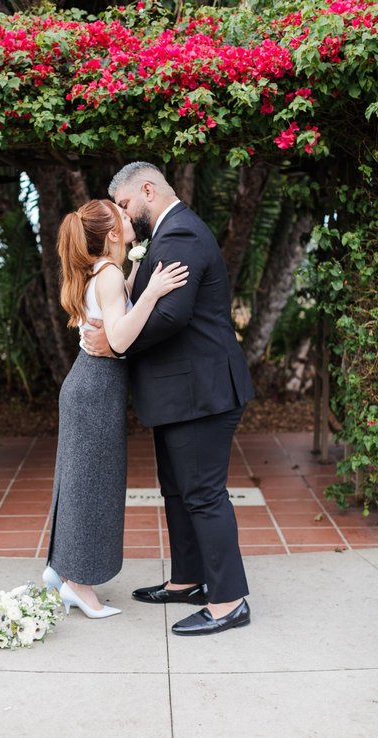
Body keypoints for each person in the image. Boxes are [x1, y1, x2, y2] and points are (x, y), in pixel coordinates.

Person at [83, 161, 255, 636]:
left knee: (203, 494)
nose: (122, 214)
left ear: (147, 189)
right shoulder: (169, 233)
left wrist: (115, 341)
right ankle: (187, 582)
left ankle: (228, 601)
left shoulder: (180, 235)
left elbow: (173, 316)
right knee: (179, 491)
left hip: (202, 391)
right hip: (183, 393)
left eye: (123, 204)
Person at [41, 199, 189, 619]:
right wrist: (154, 293)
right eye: (122, 216)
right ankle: (79, 586)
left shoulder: (106, 272)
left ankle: (62, 569)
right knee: (92, 488)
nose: (130, 218)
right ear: (110, 234)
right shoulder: (106, 273)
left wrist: (139, 274)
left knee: (78, 481)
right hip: (95, 388)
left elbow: (115, 318)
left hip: (91, 386)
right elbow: (120, 339)